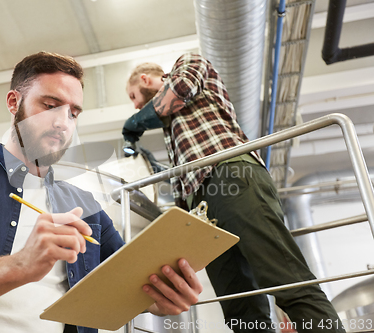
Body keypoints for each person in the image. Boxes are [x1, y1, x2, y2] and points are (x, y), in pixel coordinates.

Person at [0, 51, 203, 333]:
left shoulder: (86, 208)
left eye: (74, 112)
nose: (63, 122)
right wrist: (18, 267)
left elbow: (130, 283)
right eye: (50, 104)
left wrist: (160, 299)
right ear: (14, 102)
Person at [123, 53, 345, 333]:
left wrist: (135, 122)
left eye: (133, 96)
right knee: (238, 307)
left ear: (145, 79)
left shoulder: (188, 62)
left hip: (232, 173)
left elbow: (180, 90)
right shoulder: (171, 125)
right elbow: (191, 162)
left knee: (286, 281)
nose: (135, 104)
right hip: (202, 205)